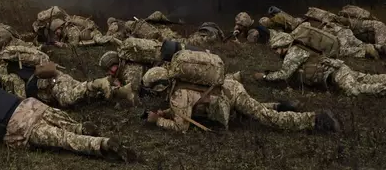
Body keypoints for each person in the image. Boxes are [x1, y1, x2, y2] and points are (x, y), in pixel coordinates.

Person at [141, 52, 341, 133]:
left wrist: (157, 121)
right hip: (229, 89)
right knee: (257, 111)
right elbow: (185, 109)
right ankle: (281, 106)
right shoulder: (178, 85)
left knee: (266, 118)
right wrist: (165, 113)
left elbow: (181, 127)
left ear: (160, 85)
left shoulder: (176, 95)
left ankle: (315, 120)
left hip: (231, 94)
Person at [0, 77, 136, 162]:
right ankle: (80, 127)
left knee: (64, 139)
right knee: (67, 125)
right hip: (34, 106)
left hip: (24, 126)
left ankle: (101, 144)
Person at [254, 30, 386, 97]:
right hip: (338, 68)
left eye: (276, 49)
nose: (276, 52)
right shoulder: (298, 48)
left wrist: (265, 77)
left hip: (335, 73)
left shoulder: (293, 53)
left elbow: (284, 74)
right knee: (366, 78)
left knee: (356, 90)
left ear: (284, 45)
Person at [0, 60, 135, 108]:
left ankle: (97, 83)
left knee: (69, 98)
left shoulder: (11, 78)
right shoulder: (14, 71)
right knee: (86, 97)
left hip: (53, 85)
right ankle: (122, 92)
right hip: (57, 79)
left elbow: (21, 100)